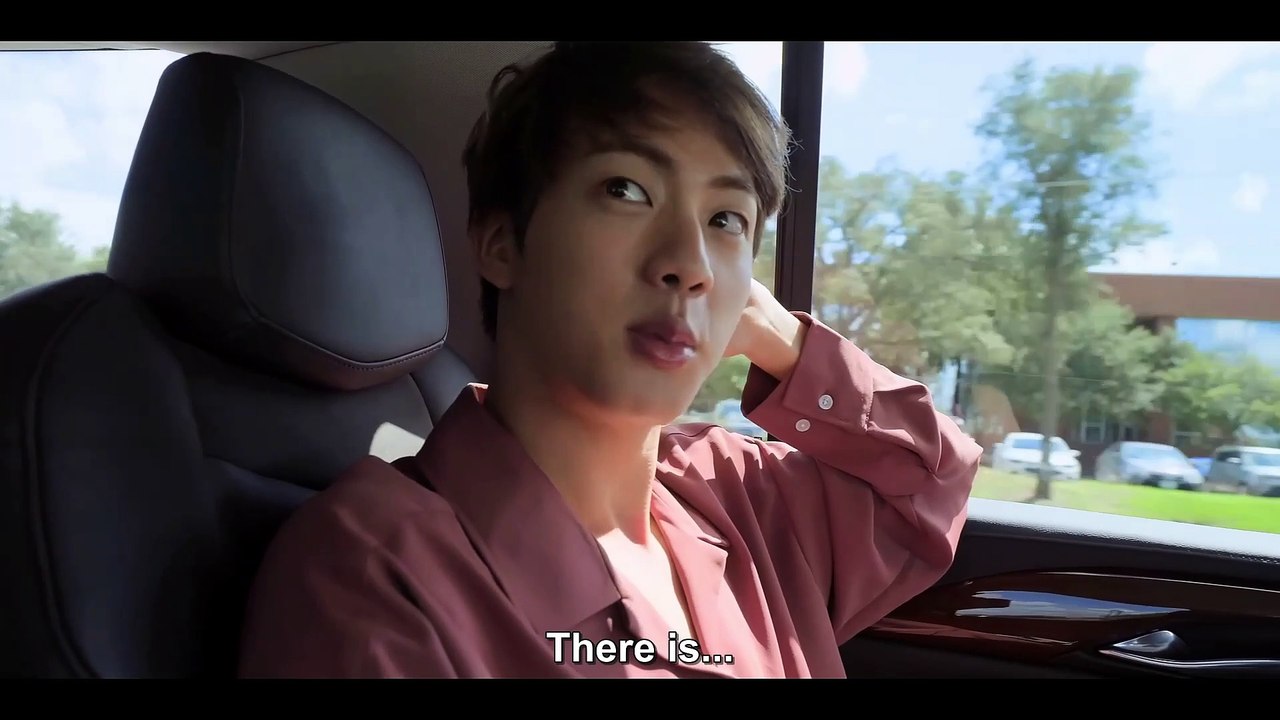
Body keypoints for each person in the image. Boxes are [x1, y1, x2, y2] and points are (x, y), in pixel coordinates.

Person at [237, 41, 982, 679]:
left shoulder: (737, 495)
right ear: (500, 243)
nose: (690, 263)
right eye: (626, 190)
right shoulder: (376, 569)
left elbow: (933, 481)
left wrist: (782, 340)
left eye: (726, 220)